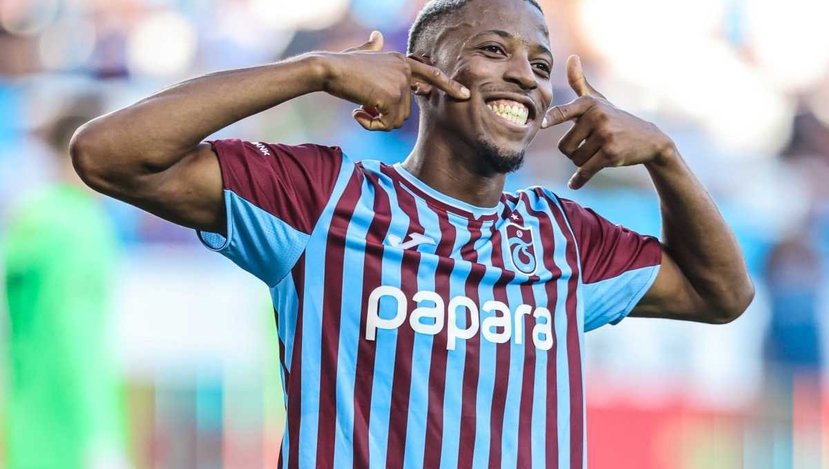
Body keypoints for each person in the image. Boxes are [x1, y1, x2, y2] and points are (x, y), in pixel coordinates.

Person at [69, 0, 754, 467]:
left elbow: (720, 293)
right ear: (422, 74)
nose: (525, 75)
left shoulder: (564, 238)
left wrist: (664, 155)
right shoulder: (322, 198)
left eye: (541, 65)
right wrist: (312, 72)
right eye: (494, 49)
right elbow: (107, 154)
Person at [3, 98, 126, 468]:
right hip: (72, 429)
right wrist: (98, 435)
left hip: (27, 424)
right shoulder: (80, 226)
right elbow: (76, 334)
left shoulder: (30, 217)